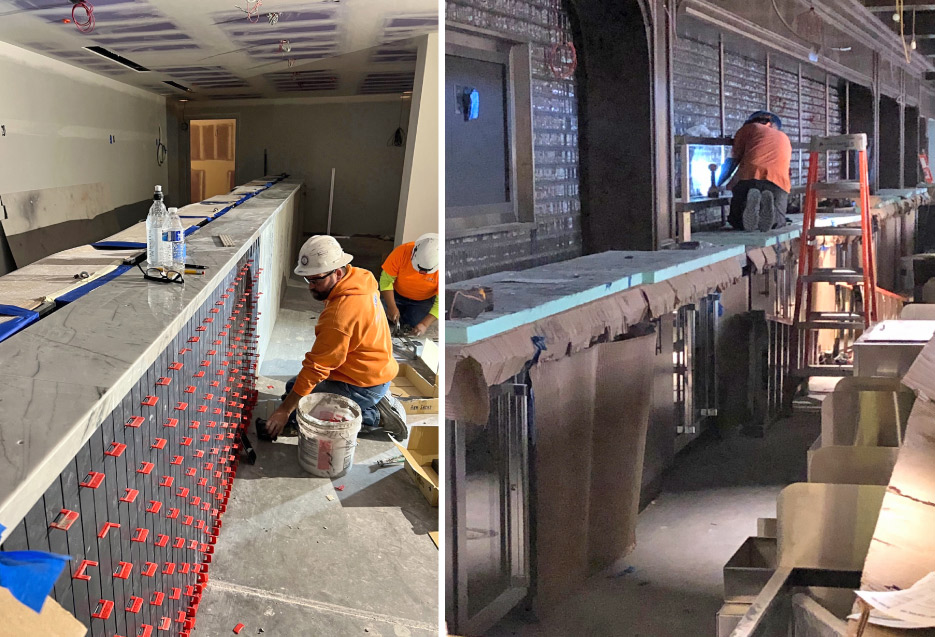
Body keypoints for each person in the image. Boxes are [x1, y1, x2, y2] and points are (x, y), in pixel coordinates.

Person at [263, 235, 408, 440]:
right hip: (368, 370)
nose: (310, 286)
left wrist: (285, 411)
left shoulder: (341, 315)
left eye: (316, 279)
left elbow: (316, 368)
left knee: (304, 414)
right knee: (292, 390)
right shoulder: (360, 278)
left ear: (338, 272)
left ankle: (374, 416)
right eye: (308, 279)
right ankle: (371, 400)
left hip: (362, 384)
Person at [716, 110, 792, 232]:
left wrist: (717, 184)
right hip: (779, 183)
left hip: (751, 177)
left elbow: (733, 160)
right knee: (778, 222)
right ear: (773, 125)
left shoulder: (749, 128)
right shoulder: (784, 137)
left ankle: (751, 209)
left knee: (736, 221)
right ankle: (769, 216)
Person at [380, 233, 439, 337]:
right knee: (375, 313)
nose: (421, 273)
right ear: (413, 253)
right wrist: (391, 306)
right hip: (396, 294)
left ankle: (402, 317)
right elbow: (386, 280)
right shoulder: (402, 251)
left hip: (423, 301)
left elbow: (440, 303)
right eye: (419, 268)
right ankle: (396, 314)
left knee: (415, 323)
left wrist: (424, 324)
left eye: (426, 270)